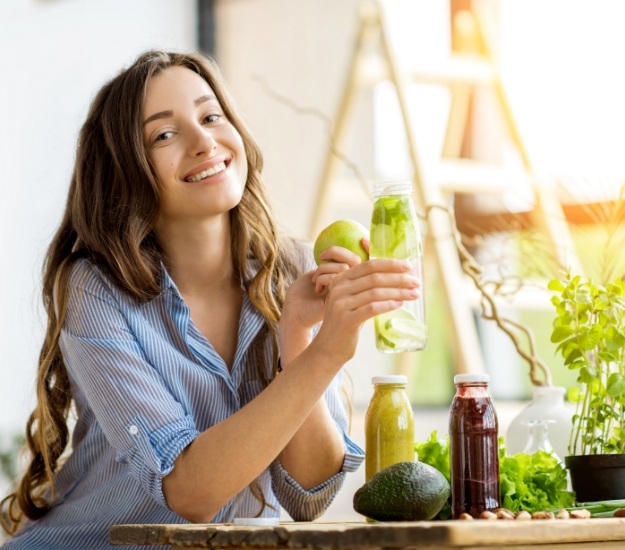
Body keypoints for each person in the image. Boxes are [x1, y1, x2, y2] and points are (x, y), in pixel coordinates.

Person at [0, 50, 420, 549]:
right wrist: (328, 354)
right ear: (125, 172)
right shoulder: (96, 288)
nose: (204, 141)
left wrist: (299, 340)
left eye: (210, 116)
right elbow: (188, 492)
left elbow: (308, 494)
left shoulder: (295, 270)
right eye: (164, 134)